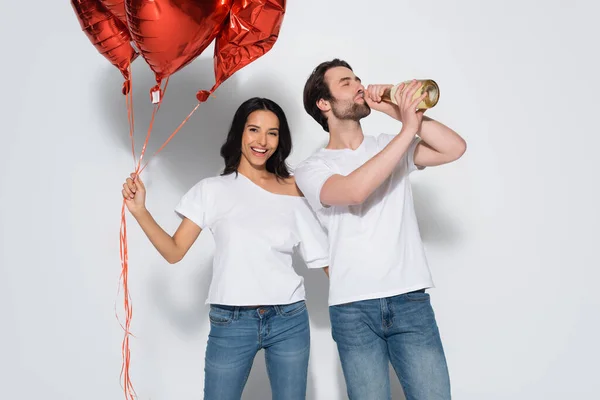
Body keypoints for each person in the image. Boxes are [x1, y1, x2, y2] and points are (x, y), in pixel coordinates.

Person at [121, 97, 329, 400]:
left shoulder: (294, 188)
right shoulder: (211, 190)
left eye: (272, 133)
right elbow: (175, 251)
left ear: (280, 139)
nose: (262, 141)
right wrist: (140, 211)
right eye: (254, 130)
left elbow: (322, 256)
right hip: (231, 321)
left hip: (289, 319)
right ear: (239, 134)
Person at [294, 59, 467, 400]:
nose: (359, 85)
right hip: (353, 309)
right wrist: (406, 130)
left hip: (410, 300)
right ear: (324, 103)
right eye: (346, 82)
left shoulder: (390, 142)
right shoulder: (310, 168)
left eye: (358, 78)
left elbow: (454, 148)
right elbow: (352, 191)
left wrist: (396, 112)